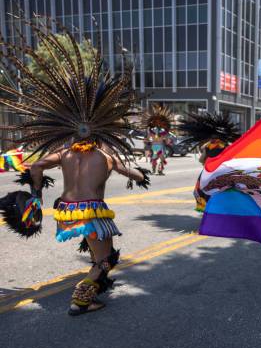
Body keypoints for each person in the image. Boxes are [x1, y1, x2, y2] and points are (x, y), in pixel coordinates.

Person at [0, 21, 149, 316]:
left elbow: (37, 164)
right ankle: (81, 299)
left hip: (65, 212)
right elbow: (128, 172)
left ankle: (91, 285)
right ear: (102, 128)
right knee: (106, 261)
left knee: (96, 249)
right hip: (93, 212)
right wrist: (141, 175)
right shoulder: (105, 154)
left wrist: (36, 193)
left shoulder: (64, 152)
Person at [177, 112, 241, 212]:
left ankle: (207, 209)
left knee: (201, 190)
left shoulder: (208, 147)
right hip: (222, 172)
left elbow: (201, 160)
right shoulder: (225, 147)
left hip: (208, 172)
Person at [142, 104, 173, 175]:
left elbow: (147, 139)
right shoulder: (154, 131)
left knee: (155, 158)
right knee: (160, 159)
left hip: (156, 146)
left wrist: (147, 141)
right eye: (157, 121)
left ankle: (156, 170)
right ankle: (159, 170)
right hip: (157, 147)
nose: (158, 123)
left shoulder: (160, 131)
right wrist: (147, 141)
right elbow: (167, 139)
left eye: (159, 121)